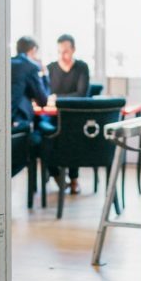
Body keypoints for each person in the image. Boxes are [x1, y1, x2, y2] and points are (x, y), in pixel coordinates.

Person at [47, 33, 90, 192]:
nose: (62, 55)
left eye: (65, 51)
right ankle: (56, 174)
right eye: (59, 52)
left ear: (73, 50)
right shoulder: (51, 68)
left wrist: (57, 98)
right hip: (53, 116)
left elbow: (81, 94)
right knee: (45, 135)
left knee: (73, 135)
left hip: (74, 116)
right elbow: (45, 94)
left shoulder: (81, 67)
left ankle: (73, 179)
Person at [10, 37, 52, 177]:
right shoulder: (30, 66)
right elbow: (43, 100)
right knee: (43, 131)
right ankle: (52, 172)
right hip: (19, 129)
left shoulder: (7, 63)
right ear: (33, 50)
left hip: (2, 123)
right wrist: (44, 74)